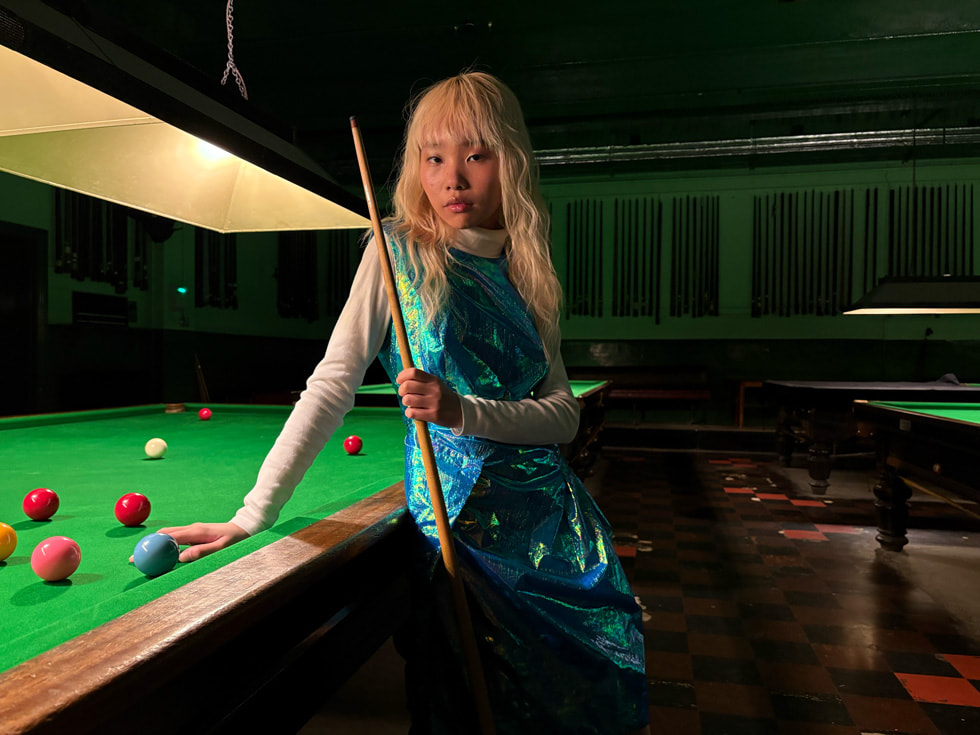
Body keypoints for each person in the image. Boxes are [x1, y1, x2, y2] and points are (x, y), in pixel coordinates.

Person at [161, 71, 650, 735]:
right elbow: (333, 383)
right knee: (460, 707)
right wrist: (253, 514)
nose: (453, 178)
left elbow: (563, 417)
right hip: (460, 532)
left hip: (554, 530)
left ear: (509, 161)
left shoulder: (530, 270)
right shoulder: (397, 255)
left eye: (475, 155)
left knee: (591, 688)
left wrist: (461, 410)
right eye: (434, 157)